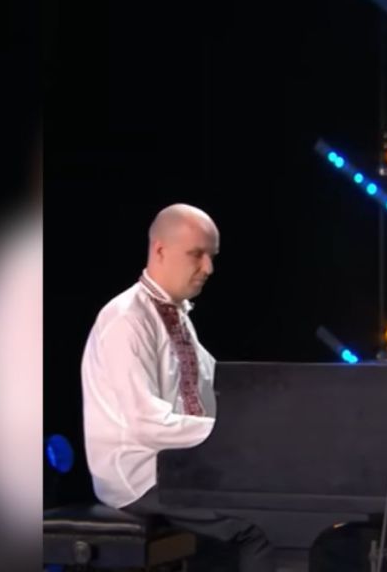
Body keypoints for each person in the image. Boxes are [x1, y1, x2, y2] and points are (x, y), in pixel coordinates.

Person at [81, 203, 274, 571]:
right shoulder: (126, 320)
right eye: (197, 255)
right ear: (159, 250)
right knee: (258, 528)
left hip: (180, 466)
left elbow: (211, 382)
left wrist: (265, 411)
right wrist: (231, 436)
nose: (209, 268)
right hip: (139, 476)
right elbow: (145, 423)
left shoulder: (175, 314)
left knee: (271, 502)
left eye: (211, 256)